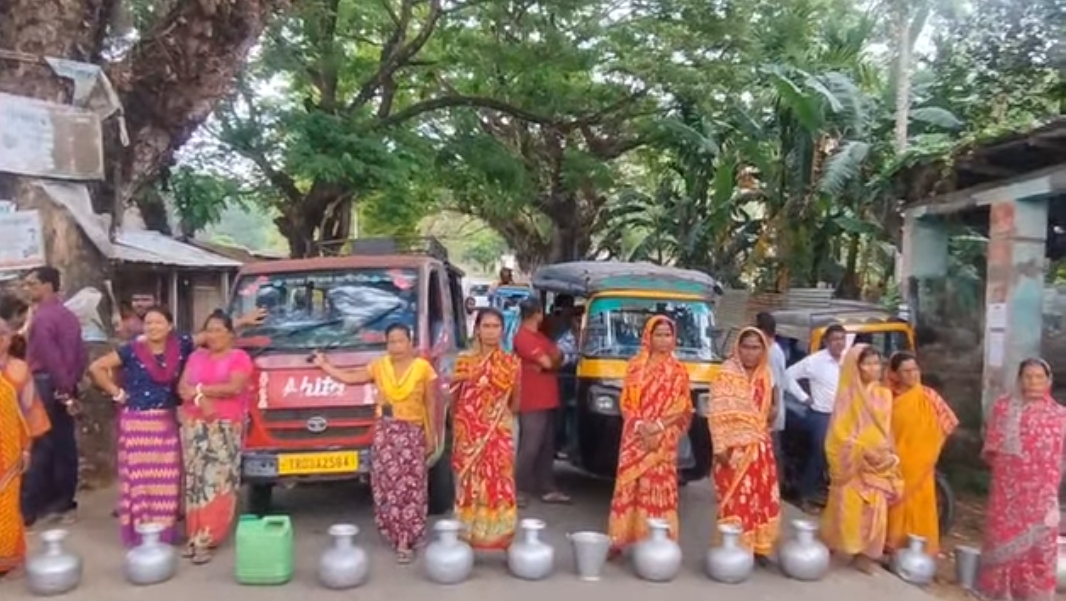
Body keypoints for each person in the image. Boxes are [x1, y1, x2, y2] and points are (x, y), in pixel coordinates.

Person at [311, 323, 438, 563]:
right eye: (391, 342)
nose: (396, 347)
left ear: (411, 343)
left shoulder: (424, 369)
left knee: (412, 487)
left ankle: (408, 537)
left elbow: (430, 405)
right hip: (386, 434)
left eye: (401, 341)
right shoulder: (379, 367)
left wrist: (431, 436)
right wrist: (325, 365)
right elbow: (350, 378)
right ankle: (395, 533)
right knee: (388, 486)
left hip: (412, 433)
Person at [88, 307, 194, 548]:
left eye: (158, 322)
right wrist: (117, 392)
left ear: (170, 326)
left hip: (165, 422)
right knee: (140, 482)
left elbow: (211, 334)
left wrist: (243, 321)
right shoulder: (132, 351)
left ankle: (164, 533)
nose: (153, 327)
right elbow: (96, 368)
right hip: (136, 424)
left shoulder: (181, 346)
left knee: (167, 480)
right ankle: (141, 533)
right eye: (148, 323)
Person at [977, 358, 1066, 601]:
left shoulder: (1060, 416)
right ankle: (1000, 594)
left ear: (1048, 380)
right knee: (1002, 547)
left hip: (1042, 500)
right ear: (1019, 379)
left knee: (1040, 552)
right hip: (1008, 497)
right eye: (1028, 377)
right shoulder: (1004, 408)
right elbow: (992, 451)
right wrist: (1015, 476)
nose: (1034, 382)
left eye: (1039, 377)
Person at [607, 316, 692, 555]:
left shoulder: (678, 370)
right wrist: (640, 426)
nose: (664, 340)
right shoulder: (635, 366)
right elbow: (626, 402)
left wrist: (657, 427)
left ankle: (657, 544)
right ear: (648, 337)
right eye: (659, 335)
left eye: (668, 335)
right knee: (628, 487)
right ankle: (619, 540)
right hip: (635, 436)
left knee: (656, 489)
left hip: (662, 441)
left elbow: (682, 406)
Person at [176, 310, 254, 564]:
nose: (213, 335)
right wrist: (199, 396)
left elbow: (234, 387)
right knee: (196, 481)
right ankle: (194, 534)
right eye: (209, 330)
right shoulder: (196, 356)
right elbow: (182, 387)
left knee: (217, 480)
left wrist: (198, 391)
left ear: (231, 334)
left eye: (219, 330)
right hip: (194, 426)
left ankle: (208, 538)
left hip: (223, 426)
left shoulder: (239, 357)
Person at [821, 344, 901, 574]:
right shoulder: (847, 396)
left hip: (878, 464)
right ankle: (835, 545)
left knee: (876, 512)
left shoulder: (884, 394)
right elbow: (838, 433)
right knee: (846, 508)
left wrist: (890, 454)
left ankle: (865, 555)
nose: (873, 368)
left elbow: (887, 429)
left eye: (877, 363)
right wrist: (862, 451)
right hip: (854, 463)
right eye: (867, 363)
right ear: (855, 367)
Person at [20, 266, 87, 527]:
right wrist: (70, 386)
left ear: (48, 286)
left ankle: (33, 507)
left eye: (32, 284)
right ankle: (63, 500)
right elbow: (80, 355)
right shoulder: (68, 316)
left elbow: (50, 357)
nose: (28, 289)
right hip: (64, 383)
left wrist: (62, 388)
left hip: (47, 384)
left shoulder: (43, 318)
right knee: (63, 443)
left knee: (40, 444)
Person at [708, 327, 781, 564]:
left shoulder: (767, 375)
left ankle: (758, 547)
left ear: (764, 350)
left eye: (756, 347)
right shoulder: (726, 375)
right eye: (746, 347)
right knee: (734, 500)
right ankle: (733, 550)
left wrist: (773, 411)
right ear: (737, 348)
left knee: (759, 498)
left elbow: (770, 407)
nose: (750, 353)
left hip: (759, 449)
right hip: (731, 450)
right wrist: (720, 448)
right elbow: (717, 413)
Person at [451, 308, 521, 550]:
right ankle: (467, 536)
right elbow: (454, 398)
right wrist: (463, 425)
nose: (491, 331)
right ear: (477, 329)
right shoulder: (464, 361)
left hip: (499, 431)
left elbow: (516, 402)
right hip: (468, 432)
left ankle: (499, 538)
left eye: (496, 326)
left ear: (503, 331)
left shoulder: (511, 363)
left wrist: (496, 417)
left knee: (499, 480)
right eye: (486, 326)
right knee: (470, 483)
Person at [885, 351, 958, 556]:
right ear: (894, 374)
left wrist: (930, 450)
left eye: (915, 369)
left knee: (920, 505)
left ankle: (919, 550)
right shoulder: (886, 397)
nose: (912, 374)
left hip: (922, 464)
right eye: (905, 371)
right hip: (894, 463)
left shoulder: (929, 396)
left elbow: (948, 424)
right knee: (895, 503)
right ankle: (891, 546)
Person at [784, 323, 847, 513]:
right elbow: (787, 376)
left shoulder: (849, 360)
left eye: (842, 339)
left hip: (845, 415)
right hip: (822, 415)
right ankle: (806, 495)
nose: (839, 343)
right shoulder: (815, 361)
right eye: (834, 339)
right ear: (826, 342)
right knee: (820, 453)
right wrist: (804, 397)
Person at [512, 299, 570, 506]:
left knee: (546, 445)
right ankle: (518, 489)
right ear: (538, 313)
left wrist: (550, 363)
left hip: (546, 397)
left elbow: (556, 358)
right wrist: (551, 363)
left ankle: (547, 487)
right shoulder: (524, 338)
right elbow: (551, 360)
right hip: (532, 397)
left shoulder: (539, 337)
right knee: (531, 444)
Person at [0, 318, 37, 576]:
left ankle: (5, 557)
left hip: (9, 450)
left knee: (7, 504)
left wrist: (27, 449)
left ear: (11, 337)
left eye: (2, 333)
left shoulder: (20, 370)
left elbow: (30, 413)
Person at [755, 312, 790, 481]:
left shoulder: (773, 353)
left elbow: (774, 384)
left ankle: (775, 484)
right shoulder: (769, 350)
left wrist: (772, 410)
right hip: (766, 409)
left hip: (770, 410)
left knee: (772, 450)